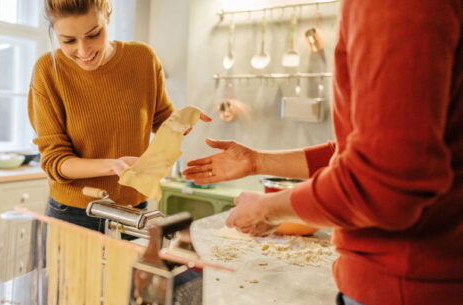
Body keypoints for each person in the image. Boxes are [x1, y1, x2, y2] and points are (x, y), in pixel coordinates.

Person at [183, 1, 463, 305]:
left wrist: (267, 208)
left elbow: (385, 179)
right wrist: (257, 162)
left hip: (408, 285)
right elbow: (361, 149)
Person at [28, 0, 208, 237]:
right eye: (68, 41)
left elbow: (161, 117)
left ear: (108, 18)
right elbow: (55, 161)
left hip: (133, 211)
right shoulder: (48, 71)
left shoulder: (143, 58)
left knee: (131, 275)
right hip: (75, 213)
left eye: (94, 34)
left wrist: (180, 122)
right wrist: (113, 165)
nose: (84, 52)